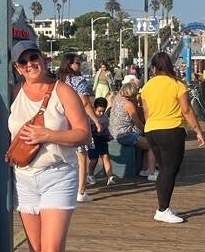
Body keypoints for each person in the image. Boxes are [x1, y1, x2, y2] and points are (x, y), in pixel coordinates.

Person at [9, 40, 89, 252]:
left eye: (34, 57)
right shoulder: (14, 93)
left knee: (53, 251)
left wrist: (48, 135)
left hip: (58, 175)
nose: (30, 64)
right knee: (37, 251)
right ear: (17, 68)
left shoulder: (62, 91)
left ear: (43, 59)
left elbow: (83, 132)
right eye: (23, 61)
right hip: (24, 177)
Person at [140, 52, 205, 223]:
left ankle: (163, 206)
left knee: (164, 170)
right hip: (171, 130)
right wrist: (198, 130)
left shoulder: (147, 86)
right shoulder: (177, 85)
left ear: (154, 68)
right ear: (169, 65)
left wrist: (150, 127)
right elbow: (187, 110)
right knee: (169, 170)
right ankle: (162, 209)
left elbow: (146, 112)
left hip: (152, 130)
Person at [58, 53, 103, 203]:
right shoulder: (79, 81)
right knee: (81, 157)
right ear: (70, 65)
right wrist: (96, 121)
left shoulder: (58, 81)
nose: (80, 65)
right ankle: (80, 191)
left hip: (61, 122)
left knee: (64, 157)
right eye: (77, 63)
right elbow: (85, 103)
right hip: (77, 122)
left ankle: (65, 187)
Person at [109, 81, 156, 179]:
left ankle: (144, 168)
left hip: (114, 132)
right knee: (152, 145)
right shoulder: (128, 104)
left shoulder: (116, 100)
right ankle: (151, 173)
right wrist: (147, 131)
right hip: (125, 135)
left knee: (145, 140)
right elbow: (137, 123)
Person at [87, 96, 117, 186]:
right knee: (94, 160)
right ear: (94, 108)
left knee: (105, 157)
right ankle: (90, 175)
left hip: (102, 139)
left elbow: (106, 128)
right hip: (93, 140)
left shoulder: (105, 118)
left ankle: (110, 176)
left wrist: (109, 135)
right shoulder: (90, 118)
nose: (101, 113)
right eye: (99, 111)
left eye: (103, 111)